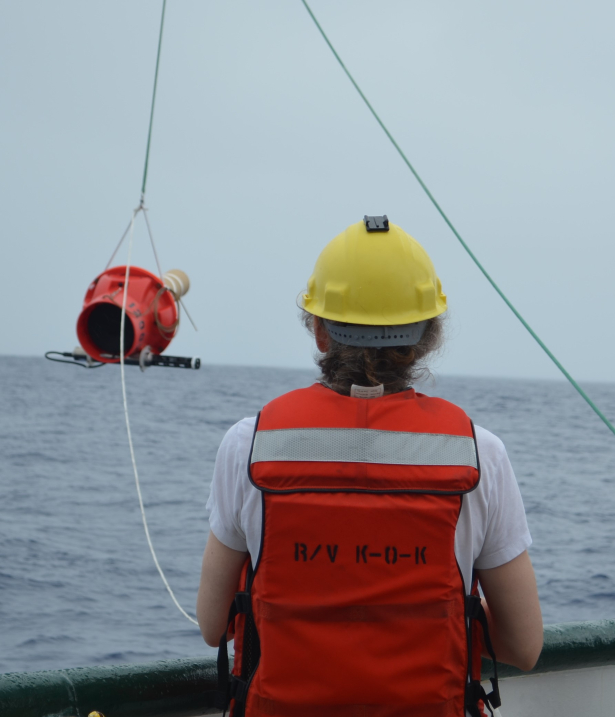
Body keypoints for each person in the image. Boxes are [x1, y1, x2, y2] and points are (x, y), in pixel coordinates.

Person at [196, 216, 543, 717]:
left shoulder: (248, 446)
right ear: (428, 336)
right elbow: (522, 645)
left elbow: (213, 625)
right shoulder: (478, 453)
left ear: (319, 330)